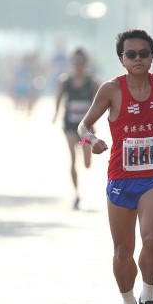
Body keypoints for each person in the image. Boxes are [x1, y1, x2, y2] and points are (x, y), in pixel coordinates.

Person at [77, 29, 153, 304]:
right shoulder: (111, 90)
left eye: (144, 54)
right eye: (131, 54)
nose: (138, 59)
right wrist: (91, 141)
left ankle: (148, 298)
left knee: (151, 241)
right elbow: (84, 125)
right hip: (120, 179)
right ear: (122, 59)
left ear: (152, 57)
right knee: (123, 252)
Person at [53, 48, 100, 210]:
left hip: (86, 128)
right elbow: (58, 98)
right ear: (72, 63)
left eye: (81, 61)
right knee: (72, 159)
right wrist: (55, 114)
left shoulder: (92, 82)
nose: (78, 65)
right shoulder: (65, 81)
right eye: (75, 61)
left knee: (87, 163)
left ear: (86, 63)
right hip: (70, 126)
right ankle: (76, 194)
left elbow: (103, 100)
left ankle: (86, 156)